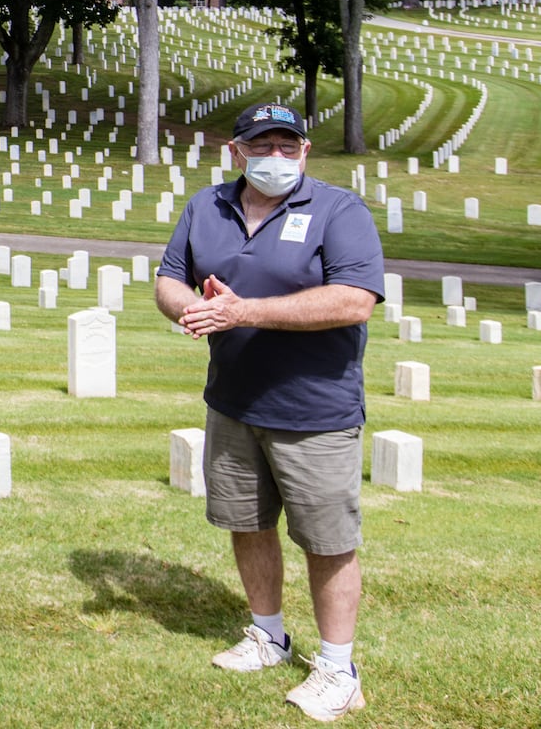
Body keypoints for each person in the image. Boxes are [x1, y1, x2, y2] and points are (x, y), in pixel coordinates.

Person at [154, 103, 384, 723]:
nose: (276, 157)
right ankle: (268, 635)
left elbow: (356, 300)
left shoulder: (339, 211)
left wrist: (243, 311)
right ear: (238, 152)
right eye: (263, 146)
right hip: (232, 401)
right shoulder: (207, 207)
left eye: (289, 146)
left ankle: (339, 669)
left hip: (314, 410)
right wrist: (190, 312)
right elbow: (169, 278)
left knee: (327, 541)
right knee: (247, 522)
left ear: (305, 152)